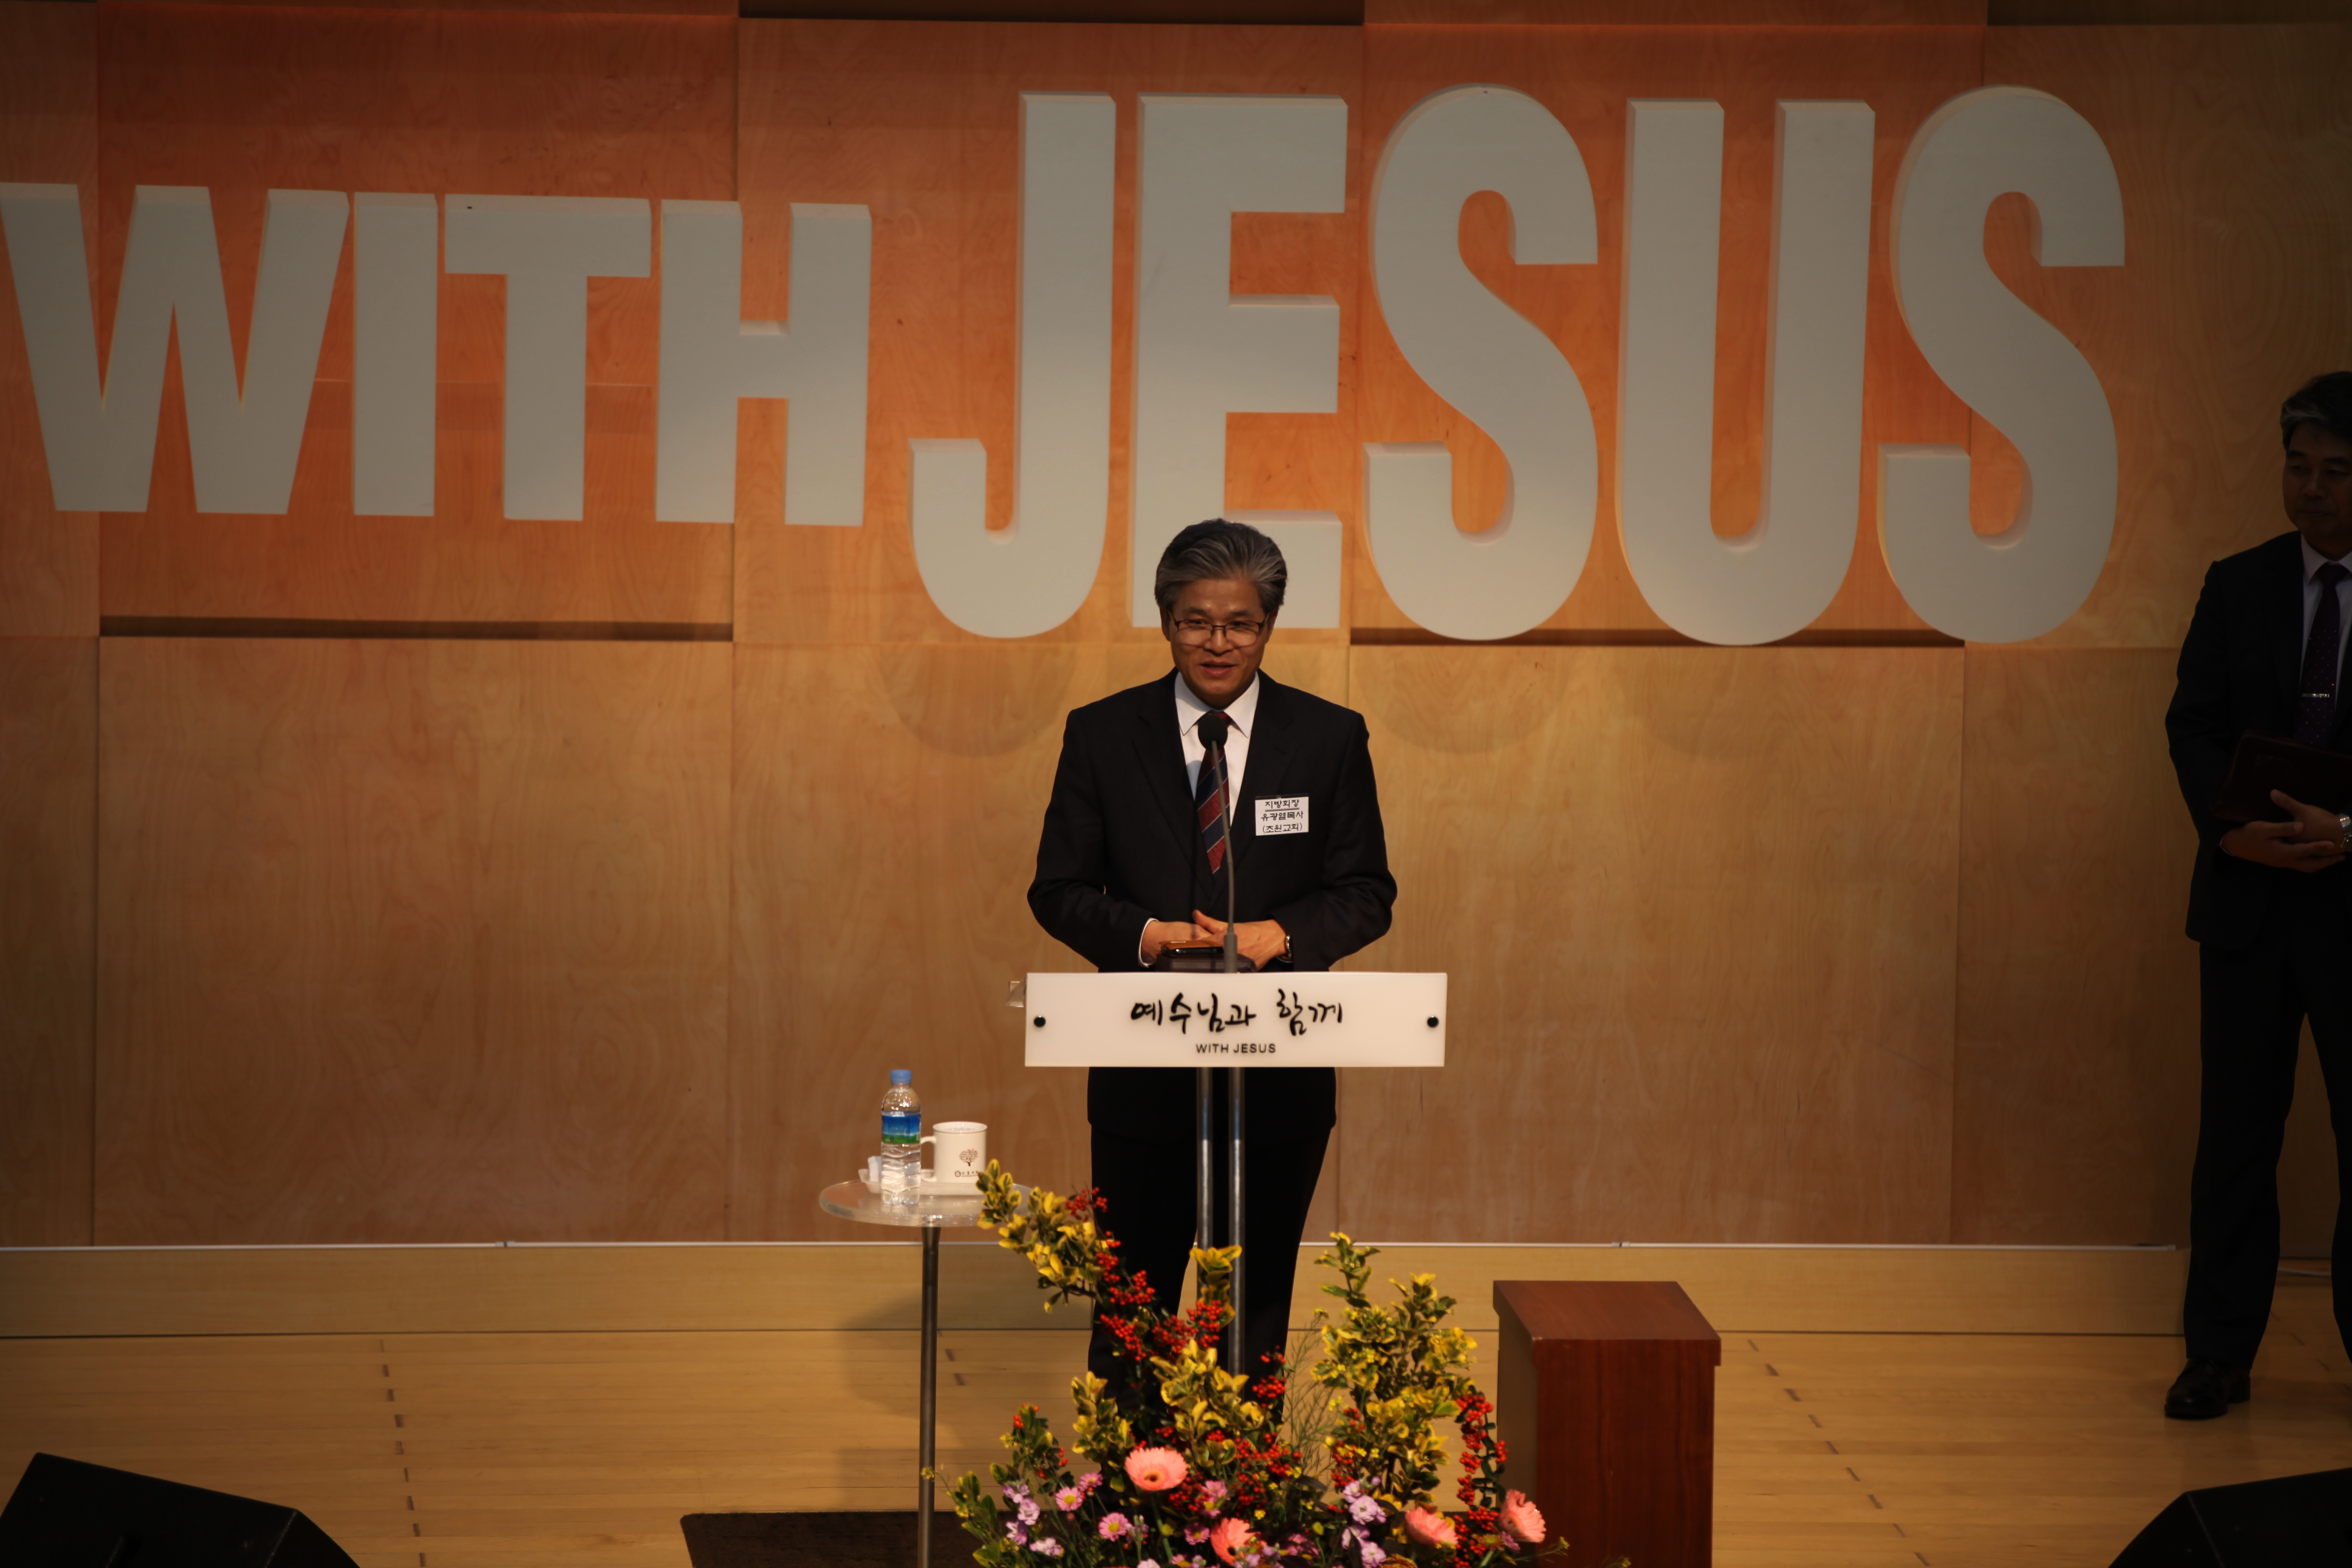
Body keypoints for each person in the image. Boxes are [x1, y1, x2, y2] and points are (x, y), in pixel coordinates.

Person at [1028, 518, 1397, 1395]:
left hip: (1279, 1077)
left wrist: (1283, 936)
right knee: (1134, 1305)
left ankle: (1242, 1480)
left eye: (1240, 624)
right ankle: (1132, 1478)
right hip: (1144, 1069)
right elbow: (1059, 890)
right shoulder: (1102, 734)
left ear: (1269, 626)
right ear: (1167, 621)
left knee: (1255, 1308)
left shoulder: (1330, 737)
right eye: (1197, 621)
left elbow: (1365, 892)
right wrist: (1145, 935)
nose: (1218, 643)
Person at [2161, 371, 2352, 1420]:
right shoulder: (2239, 584)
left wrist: (2348, 832)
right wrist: (2234, 833)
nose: (2311, 489)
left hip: (2351, 904)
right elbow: (2191, 725)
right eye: (2298, 466)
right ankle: (2218, 1355)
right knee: (2236, 1139)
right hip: (2248, 907)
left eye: (2336, 471)